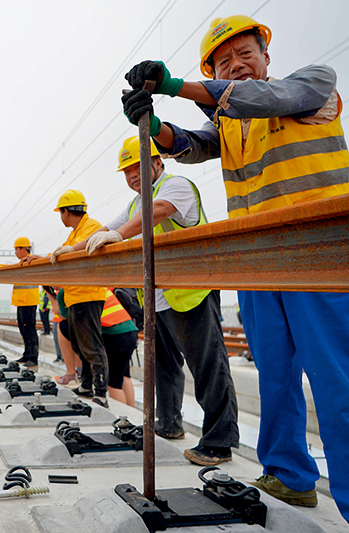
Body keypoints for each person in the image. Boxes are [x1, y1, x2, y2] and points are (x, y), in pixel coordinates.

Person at [123, 14, 349, 516]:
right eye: (224, 61)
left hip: (319, 254)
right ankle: (289, 474)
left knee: (336, 380)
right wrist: (152, 124)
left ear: (266, 56)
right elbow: (191, 144)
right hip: (259, 262)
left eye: (245, 54)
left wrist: (180, 85)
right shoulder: (229, 122)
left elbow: (266, 99)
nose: (237, 65)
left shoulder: (313, 85)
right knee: (276, 373)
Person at [85, 137, 239, 466]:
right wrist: (68, 250)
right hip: (158, 299)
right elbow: (106, 228)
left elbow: (159, 212)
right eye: (126, 171)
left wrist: (119, 235)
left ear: (157, 162)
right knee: (164, 368)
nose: (132, 176)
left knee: (209, 367)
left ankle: (219, 442)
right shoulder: (134, 205)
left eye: (138, 166)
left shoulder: (176, 186)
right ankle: (168, 424)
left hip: (191, 291)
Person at [44, 190, 109, 408]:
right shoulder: (74, 233)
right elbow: (62, 253)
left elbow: (75, 252)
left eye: (60, 212)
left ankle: (101, 392)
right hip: (75, 297)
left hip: (87, 295)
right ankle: (86, 385)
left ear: (66, 212)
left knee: (91, 346)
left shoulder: (90, 227)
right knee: (81, 347)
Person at [11, 237, 40, 366]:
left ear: (23, 249)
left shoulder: (32, 261)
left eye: (17, 249)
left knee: (29, 330)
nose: (15, 252)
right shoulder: (21, 262)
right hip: (21, 301)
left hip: (29, 301)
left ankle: (33, 358)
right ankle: (26, 354)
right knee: (23, 330)